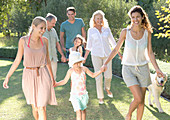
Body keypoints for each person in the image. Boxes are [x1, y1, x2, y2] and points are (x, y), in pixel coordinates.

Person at [101, 5, 164, 120]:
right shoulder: (125, 32)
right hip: (128, 69)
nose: (135, 20)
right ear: (131, 18)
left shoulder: (147, 33)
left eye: (138, 17)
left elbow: (150, 53)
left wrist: (157, 69)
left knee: (141, 101)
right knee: (138, 98)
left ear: (142, 18)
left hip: (143, 68)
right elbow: (116, 49)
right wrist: (106, 63)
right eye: (133, 17)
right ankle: (129, 115)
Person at [3, 16, 57, 120]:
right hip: (28, 76)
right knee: (35, 107)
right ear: (33, 26)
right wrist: (8, 77)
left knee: (42, 107)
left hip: (43, 74)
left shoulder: (44, 41)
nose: (43, 30)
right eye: (41, 28)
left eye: (45, 28)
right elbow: (17, 60)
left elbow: (48, 61)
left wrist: (52, 78)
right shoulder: (23, 41)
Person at [83, 10, 122, 104]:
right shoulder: (91, 30)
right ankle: (100, 97)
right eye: (97, 18)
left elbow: (113, 43)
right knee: (98, 77)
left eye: (101, 18)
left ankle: (107, 88)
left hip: (107, 56)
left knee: (108, 76)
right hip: (95, 55)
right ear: (94, 20)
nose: (99, 20)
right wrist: (84, 58)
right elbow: (89, 46)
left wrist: (120, 54)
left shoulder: (106, 29)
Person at [54, 52, 103, 120]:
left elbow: (93, 75)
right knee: (78, 111)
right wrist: (56, 84)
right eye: (75, 63)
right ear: (72, 63)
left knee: (83, 111)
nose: (77, 65)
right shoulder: (70, 71)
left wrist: (100, 71)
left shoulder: (84, 69)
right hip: (75, 95)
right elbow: (64, 81)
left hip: (84, 95)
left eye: (78, 63)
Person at [43, 13, 66, 80]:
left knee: (53, 78)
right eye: (53, 23)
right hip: (44, 60)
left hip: (53, 58)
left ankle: (51, 90)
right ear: (47, 22)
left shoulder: (54, 31)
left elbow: (57, 44)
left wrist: (62, 55)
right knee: (45, 78)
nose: (54, 25)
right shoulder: (41, 31)